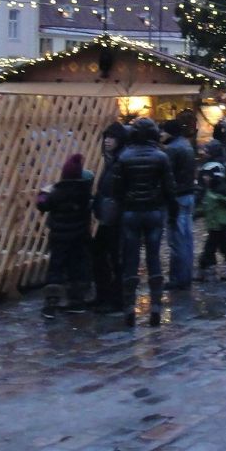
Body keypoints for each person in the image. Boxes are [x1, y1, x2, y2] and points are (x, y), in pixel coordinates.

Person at [113, 119, 177, 327]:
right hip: (153, 211)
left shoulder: (124, 157)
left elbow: (117, 188)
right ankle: (156, 307)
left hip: (131, 212)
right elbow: (169, 188)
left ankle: (129, 308)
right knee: (153, 257)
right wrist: (173, 211)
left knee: (131, 259)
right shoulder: (161, 157)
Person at [36, 153, 95, 318]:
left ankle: (51, 304)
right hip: (80, 236)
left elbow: (42, 205)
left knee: (56, 267)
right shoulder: (84, 192)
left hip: (59, 236)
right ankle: (76, 302)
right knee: (77, 267)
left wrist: (43, 193)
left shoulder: (57, 192)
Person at [89, 123, 127, 314]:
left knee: (115, 258)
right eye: (105, 138)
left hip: (117, 218)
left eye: (111, 138)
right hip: (107, 215)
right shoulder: (111, 160)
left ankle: (116, 299)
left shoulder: (121, 161)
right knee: (100, 254)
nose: (107, 141)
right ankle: (104, 295)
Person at [160, 119, 197, 291]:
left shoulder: (172, 149)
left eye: (163, 131)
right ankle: (186, 275)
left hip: (177, 198)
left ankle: (179, 278)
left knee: (177, 240)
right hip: (188, 195)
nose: (161, 134)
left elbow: (168, 177)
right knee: (187, 238)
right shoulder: (186, 144)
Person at [197, 140, 226, 281]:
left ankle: (203, 268)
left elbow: (209, 191)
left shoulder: (213, 170)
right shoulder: (223, 166)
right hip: (219, 215)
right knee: (221, 242)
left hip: (216, 215)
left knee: (213, 242)